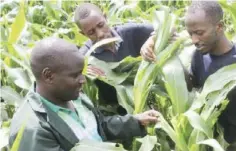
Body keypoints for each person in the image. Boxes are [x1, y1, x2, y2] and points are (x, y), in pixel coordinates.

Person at [140, 1, 236, 150]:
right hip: (212, 142)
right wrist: (166, 52)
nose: (194, 40)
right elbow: (194, 85)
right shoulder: (199, 55)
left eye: (200, 33)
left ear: (219, 27)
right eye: (191, 34)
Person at [8, 37, 161, 151]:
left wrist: (135, 121)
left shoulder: (73, 96)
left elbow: (98, 128)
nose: (83, 80)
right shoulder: (33, 129)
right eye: (75, 75)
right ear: (48, 76)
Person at [74, 3, 154, 115]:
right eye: (91, 32)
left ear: (105, 17)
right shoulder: (86, 57)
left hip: (151, 99)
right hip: (118, 114)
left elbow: (167, 26)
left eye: (101, 25)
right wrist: (82, 71)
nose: (100, 34)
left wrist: (151, 40)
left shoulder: (129, 33)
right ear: (83, 34)